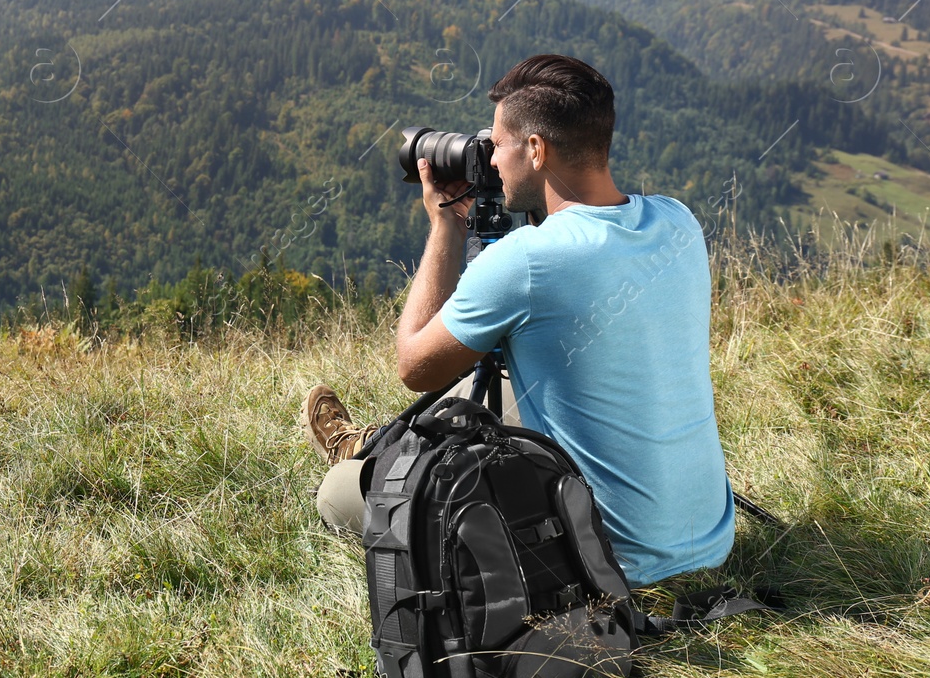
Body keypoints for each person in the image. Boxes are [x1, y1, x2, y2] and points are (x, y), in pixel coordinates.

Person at [302, 54, 734, 588]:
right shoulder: (677, 220)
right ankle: (384, 443)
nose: (492, 159)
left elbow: (415, 366)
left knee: (338, 495)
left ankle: (363, 459)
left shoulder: (529, 260)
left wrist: (446, 227)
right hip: (709, 542)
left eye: (498, 144)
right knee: (484, 381)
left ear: (536, 149)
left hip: (608, 563)